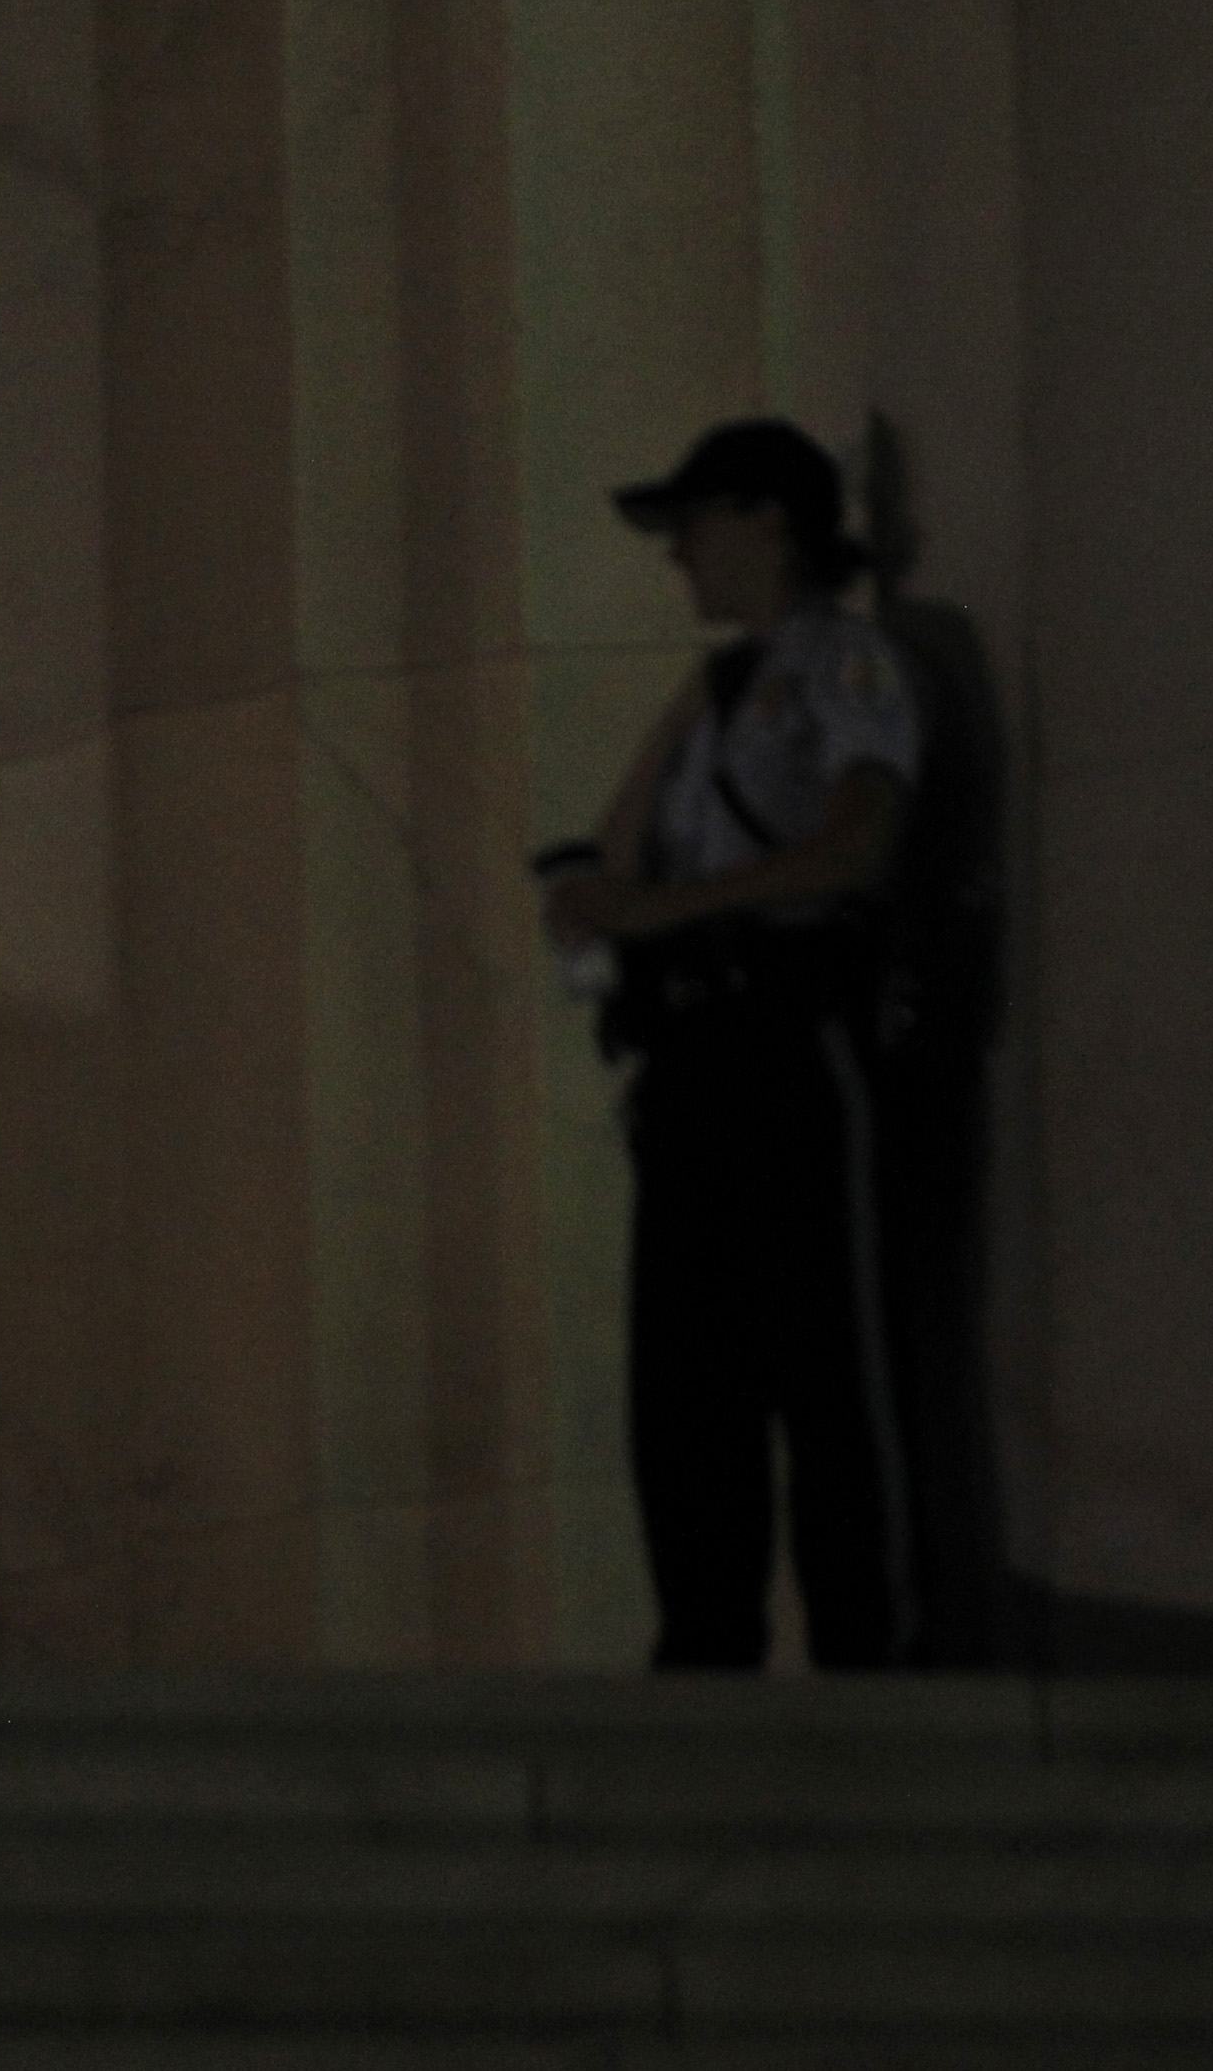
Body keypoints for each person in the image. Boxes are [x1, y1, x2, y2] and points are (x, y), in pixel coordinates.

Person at [540, 417, 921, 1670]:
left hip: (783, 1040)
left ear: (768, 522)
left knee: (818, 1369)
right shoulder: (709, 693)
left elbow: (860, 840)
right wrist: (608, 906)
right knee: (686, 1387)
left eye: (692, 526)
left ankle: (862, 1647)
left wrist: (658, 909)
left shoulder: (841, 662)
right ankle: (704, 1644)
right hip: (695, 1060)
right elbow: (607, 859)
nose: (677, 561)